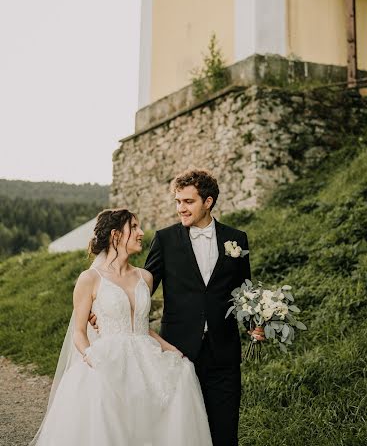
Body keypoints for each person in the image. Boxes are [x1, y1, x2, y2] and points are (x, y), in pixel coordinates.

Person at [30, 208, 213, 446]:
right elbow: (79, 331)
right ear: (116, 235)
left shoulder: (145, 277)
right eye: (134, 227)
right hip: (106, 358)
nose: (141, 232)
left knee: (173, 388)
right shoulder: (89, 279)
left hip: (146, 358)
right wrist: (91, 357)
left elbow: (143, 328)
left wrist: (173, 351)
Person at [145, 169, 264, 446]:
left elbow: (243, 290)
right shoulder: (165, 239)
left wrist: (254, 324)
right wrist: (110, 307)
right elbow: (144, 287)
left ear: (208, 202)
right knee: (181, 433)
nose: (181, 209)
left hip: (223, 351)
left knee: (224, 431)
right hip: (178, 352)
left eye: (188, 202)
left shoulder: (237, 239)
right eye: (178, 201)